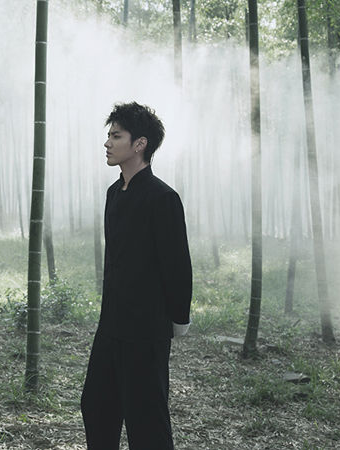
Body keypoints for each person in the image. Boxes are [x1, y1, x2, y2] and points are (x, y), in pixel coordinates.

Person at [80, 102, 192, 449]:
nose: (107, 143)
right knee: (96, 406)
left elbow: (177, 263)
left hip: (146, 329)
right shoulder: (114, 193)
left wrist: (179, 317)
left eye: (116, 136)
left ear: (140, 144)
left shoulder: (163, 198)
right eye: (109, 136)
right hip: (111, 324)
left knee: (146, 420)